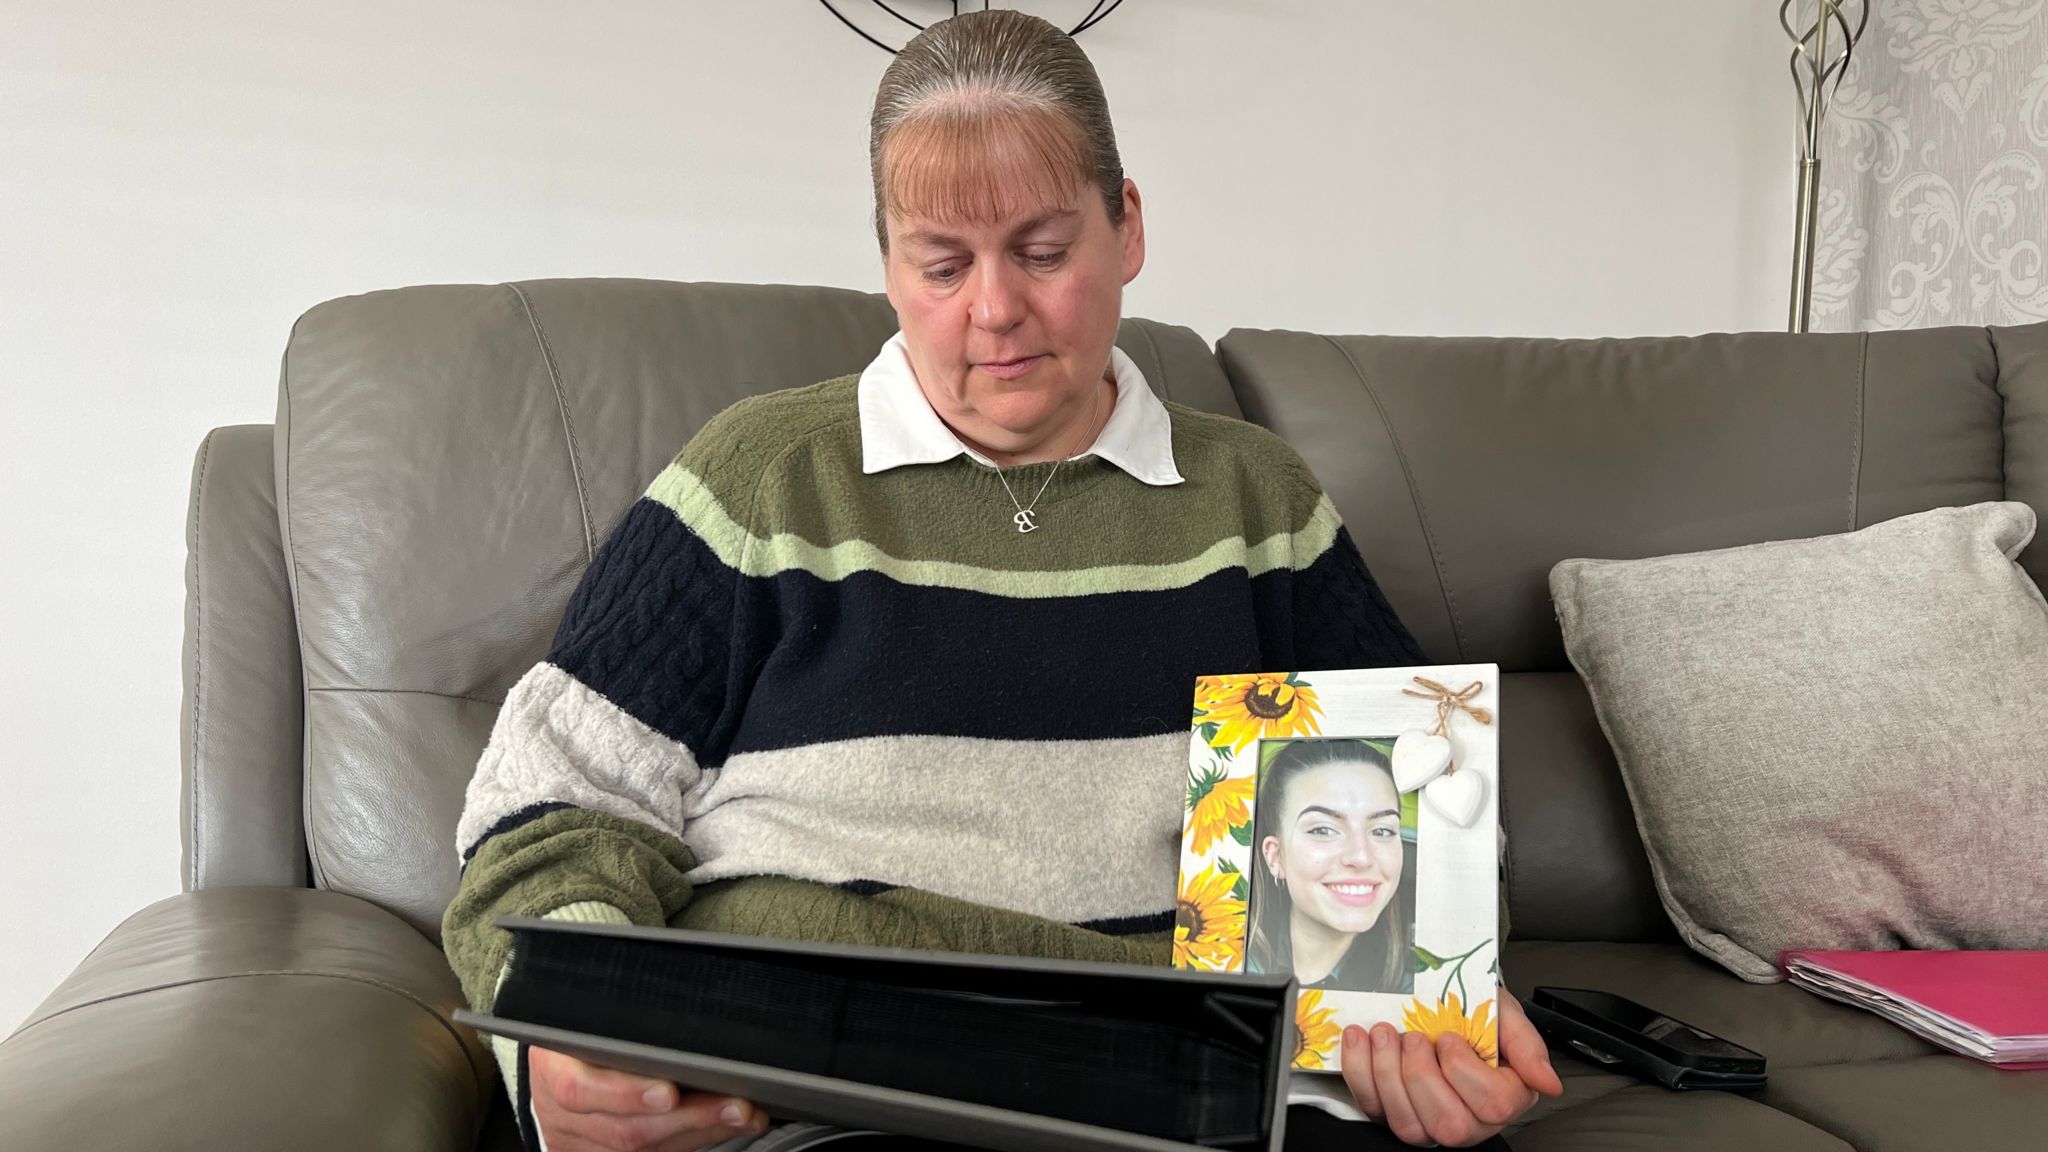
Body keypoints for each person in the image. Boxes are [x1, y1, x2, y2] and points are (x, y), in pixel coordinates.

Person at [442, 11, 1561, 1151]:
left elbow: (1427, 828)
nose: (992, 310)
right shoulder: (755, 482)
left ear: (1125, 228)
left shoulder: (1255, 504)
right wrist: (565, 1042)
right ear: (886, 263)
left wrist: (1419, 1006)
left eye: (1040, 251)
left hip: (1181, 1081)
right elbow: (548, 816)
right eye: (940, 264)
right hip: (827, 1078)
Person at [1249, 740, 1413, 992]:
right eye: (1323, 830)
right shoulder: (1226, 959)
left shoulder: (1422, 990)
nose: (1361, 857)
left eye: (1382, 830)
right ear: (1275, 857)